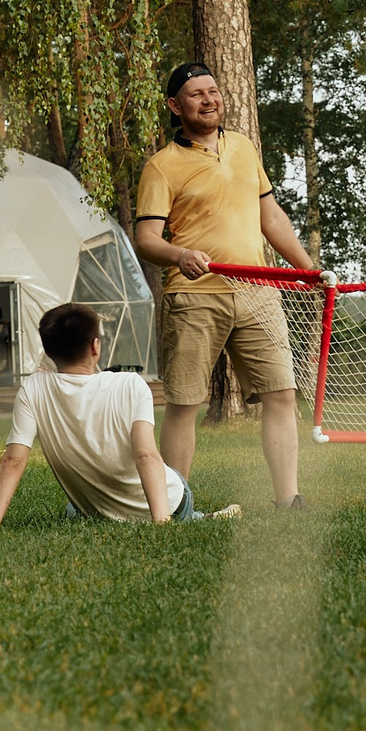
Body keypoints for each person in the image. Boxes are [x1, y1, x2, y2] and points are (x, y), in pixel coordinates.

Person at [131, 62, 317, 510]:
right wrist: (180, 255)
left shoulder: (244, 148)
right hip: (194, 297)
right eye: (196, 94)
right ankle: (174, 505)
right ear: (175, 107)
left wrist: (308, 270)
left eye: (213, 91)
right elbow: (146, 240)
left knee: (281, 394)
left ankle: (288, 499)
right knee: (185, 403)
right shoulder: (161, 167)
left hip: (258, 293)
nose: (208, 99)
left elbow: (271, 217)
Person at [0, 303, 243, 526]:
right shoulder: (130, 384)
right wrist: (161, 524)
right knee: (175, 486)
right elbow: (146, 455)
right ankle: (200, 517)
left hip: (96, 509)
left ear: (48, 352)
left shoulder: (34, 388)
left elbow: (13, 461)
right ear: (95, 347)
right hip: (168, 501)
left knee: (73, 510)